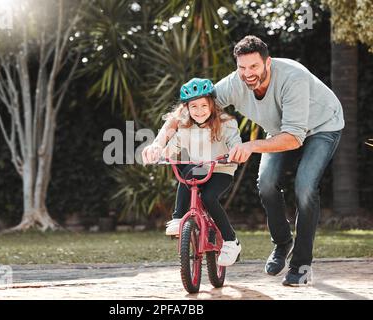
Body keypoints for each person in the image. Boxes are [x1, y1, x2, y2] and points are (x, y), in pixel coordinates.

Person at [143, 35, 344, 286]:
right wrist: (158, 143)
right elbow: (189, 110)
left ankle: (301, 264)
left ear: (267, 63)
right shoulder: (234, 83)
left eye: (254, 67)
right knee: (266, 183)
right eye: (242, 67)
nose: (248, 73)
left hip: (322, 126)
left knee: (304, 188)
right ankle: (283, 244)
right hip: (280, 130)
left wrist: (249, 146)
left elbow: (294, 138)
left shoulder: (294, 79)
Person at [161, 78, 242, 266]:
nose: (199, 111)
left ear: (212, 105)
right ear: (186, 108)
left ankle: (231, 241)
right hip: (199, 169)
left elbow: (235, 143)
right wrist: (161, 153)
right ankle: (178, 218)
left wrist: (234, 153)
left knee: (209, 197)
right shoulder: (185, 126)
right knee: (186, 173)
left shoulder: (226, 123)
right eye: (194, 107)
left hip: (221, 169)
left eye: (204, 106)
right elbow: (173, 147)